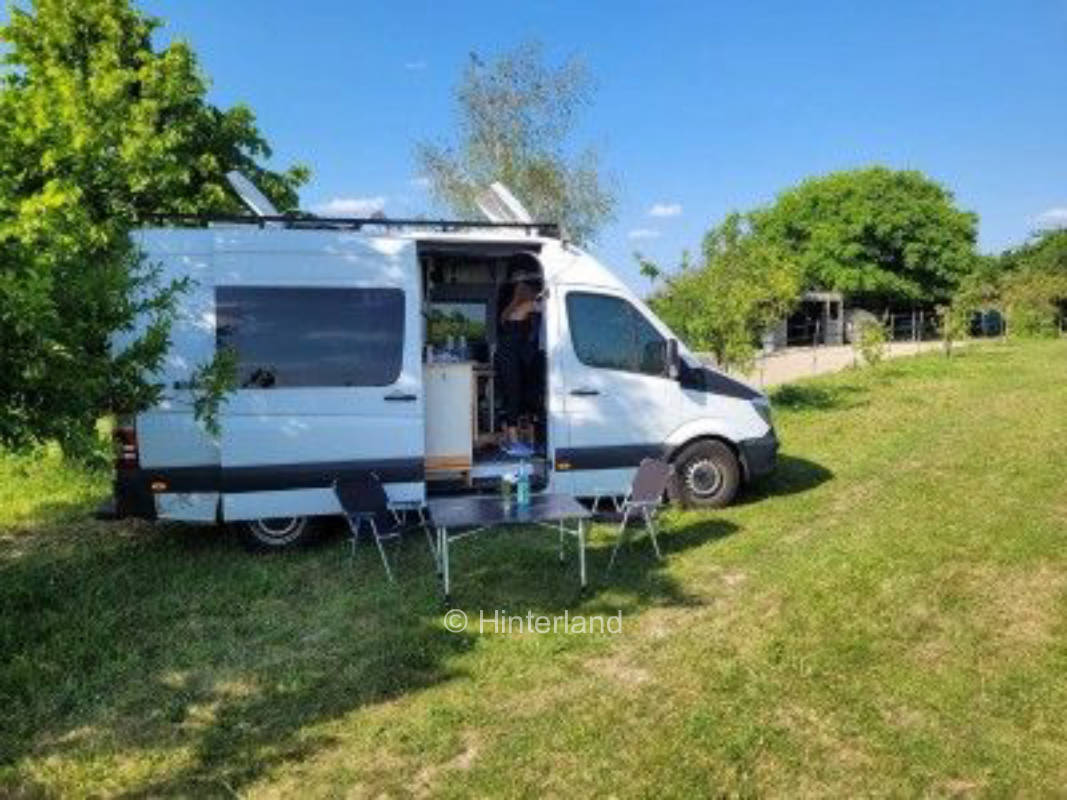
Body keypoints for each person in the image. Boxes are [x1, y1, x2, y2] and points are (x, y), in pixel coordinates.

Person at [497, 279, 539, 449]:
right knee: (515, 396)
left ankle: (508, 437)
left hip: (504, 356)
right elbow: (547, 306)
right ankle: (514, 440)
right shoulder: (526, 306)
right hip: (513, 357)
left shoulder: (508, 311)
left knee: (509, 396)